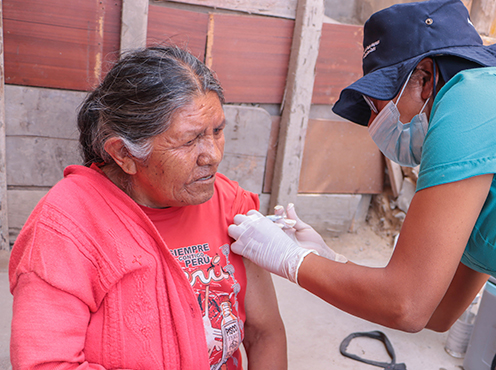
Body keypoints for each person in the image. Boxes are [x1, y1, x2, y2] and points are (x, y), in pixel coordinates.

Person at [227, 1, 496, 369]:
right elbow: (438, 311)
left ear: (426, 77)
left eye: (380, 104)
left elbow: (407, 305)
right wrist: (328, 258)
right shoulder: (494, 127)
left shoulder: (472, 100)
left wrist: (291, 259)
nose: (376, 123)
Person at [8, 46, 287, 370]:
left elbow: (264, 333)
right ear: (124, 154)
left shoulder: (229, 205)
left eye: (217, 131)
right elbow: (47, 363)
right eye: (189, 140)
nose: (212, 154)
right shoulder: (65, 230)